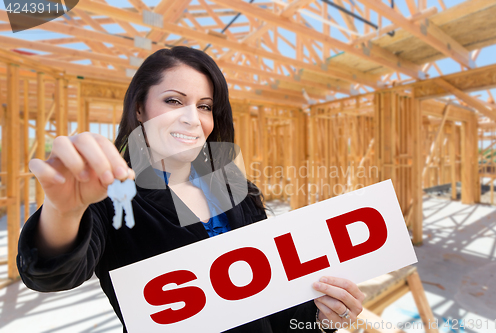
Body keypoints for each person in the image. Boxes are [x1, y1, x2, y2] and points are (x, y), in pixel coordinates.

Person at [17, 47, 364, 332]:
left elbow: (269, 291)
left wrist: (318, 320)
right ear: (140, 108)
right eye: (173, 101)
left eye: (204, 106)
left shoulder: (228, 183)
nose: (192, 118)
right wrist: (64, 210)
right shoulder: (111, 196)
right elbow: (52, 274)